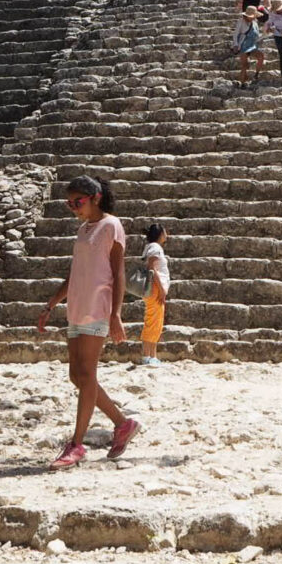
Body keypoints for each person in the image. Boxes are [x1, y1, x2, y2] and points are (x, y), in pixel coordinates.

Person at [36, 176, 139, 469]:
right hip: (76, 308)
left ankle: (76, 444)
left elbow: (118, 272)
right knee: (79, 377)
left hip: (97, 308)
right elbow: (76, 273)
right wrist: (51, 303)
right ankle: (122, 424)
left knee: (87, 376)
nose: (73, 208)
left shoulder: (112, 226)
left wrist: (116, 314)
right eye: (69, 203)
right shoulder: (83, 230)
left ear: (95, 197)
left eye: (77, 202)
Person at [137, 223, 169, 367]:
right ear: (160, 234)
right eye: (165, 232)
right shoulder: (155, 248)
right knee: (153, 320)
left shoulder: (152, 247)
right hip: (155, 288)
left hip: (154, 288)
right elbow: (152, 268)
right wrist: (162, 289)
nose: (167, 234)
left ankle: (152, 355)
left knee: (155, 321)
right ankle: (147, 355)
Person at [236, 7, 265, 87]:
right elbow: (236, 34)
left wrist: (266, 34)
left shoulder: (255, 23)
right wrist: (235, 45)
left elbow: (257, 37)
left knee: (261, 56)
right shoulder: (241, 22)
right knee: (245, 65)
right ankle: (242, 83)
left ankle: (256, 74)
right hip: (243, 45)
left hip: (252, 45)